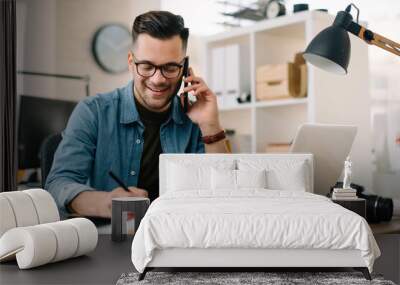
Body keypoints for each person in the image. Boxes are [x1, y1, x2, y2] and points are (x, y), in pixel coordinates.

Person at [45, 11, 229, 219]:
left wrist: (211, 125)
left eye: (169, 67)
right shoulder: (93, 111)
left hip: (178, 237)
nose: (158, 79)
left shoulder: (196, 119)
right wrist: (107, 204)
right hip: (110, 238)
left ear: (184, 67)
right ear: (131, 62)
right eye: (147, 66)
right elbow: (57, 185)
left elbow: (223, 195)